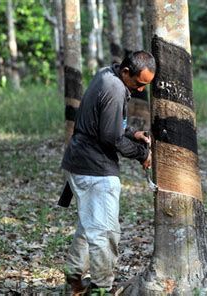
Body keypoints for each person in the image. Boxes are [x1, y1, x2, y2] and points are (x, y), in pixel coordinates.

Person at [61, 51, 156, 294]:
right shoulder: (115, 88)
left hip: (79, 163)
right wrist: (141, 154)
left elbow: (109, 122)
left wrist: (133, 133)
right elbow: (111, 137)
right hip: (94, 170)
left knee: (89, 225)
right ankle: (101, 288)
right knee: (105, 232)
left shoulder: (107, 74)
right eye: (139, 83)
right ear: (126, 72)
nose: (141, 90)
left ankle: (73, 278)